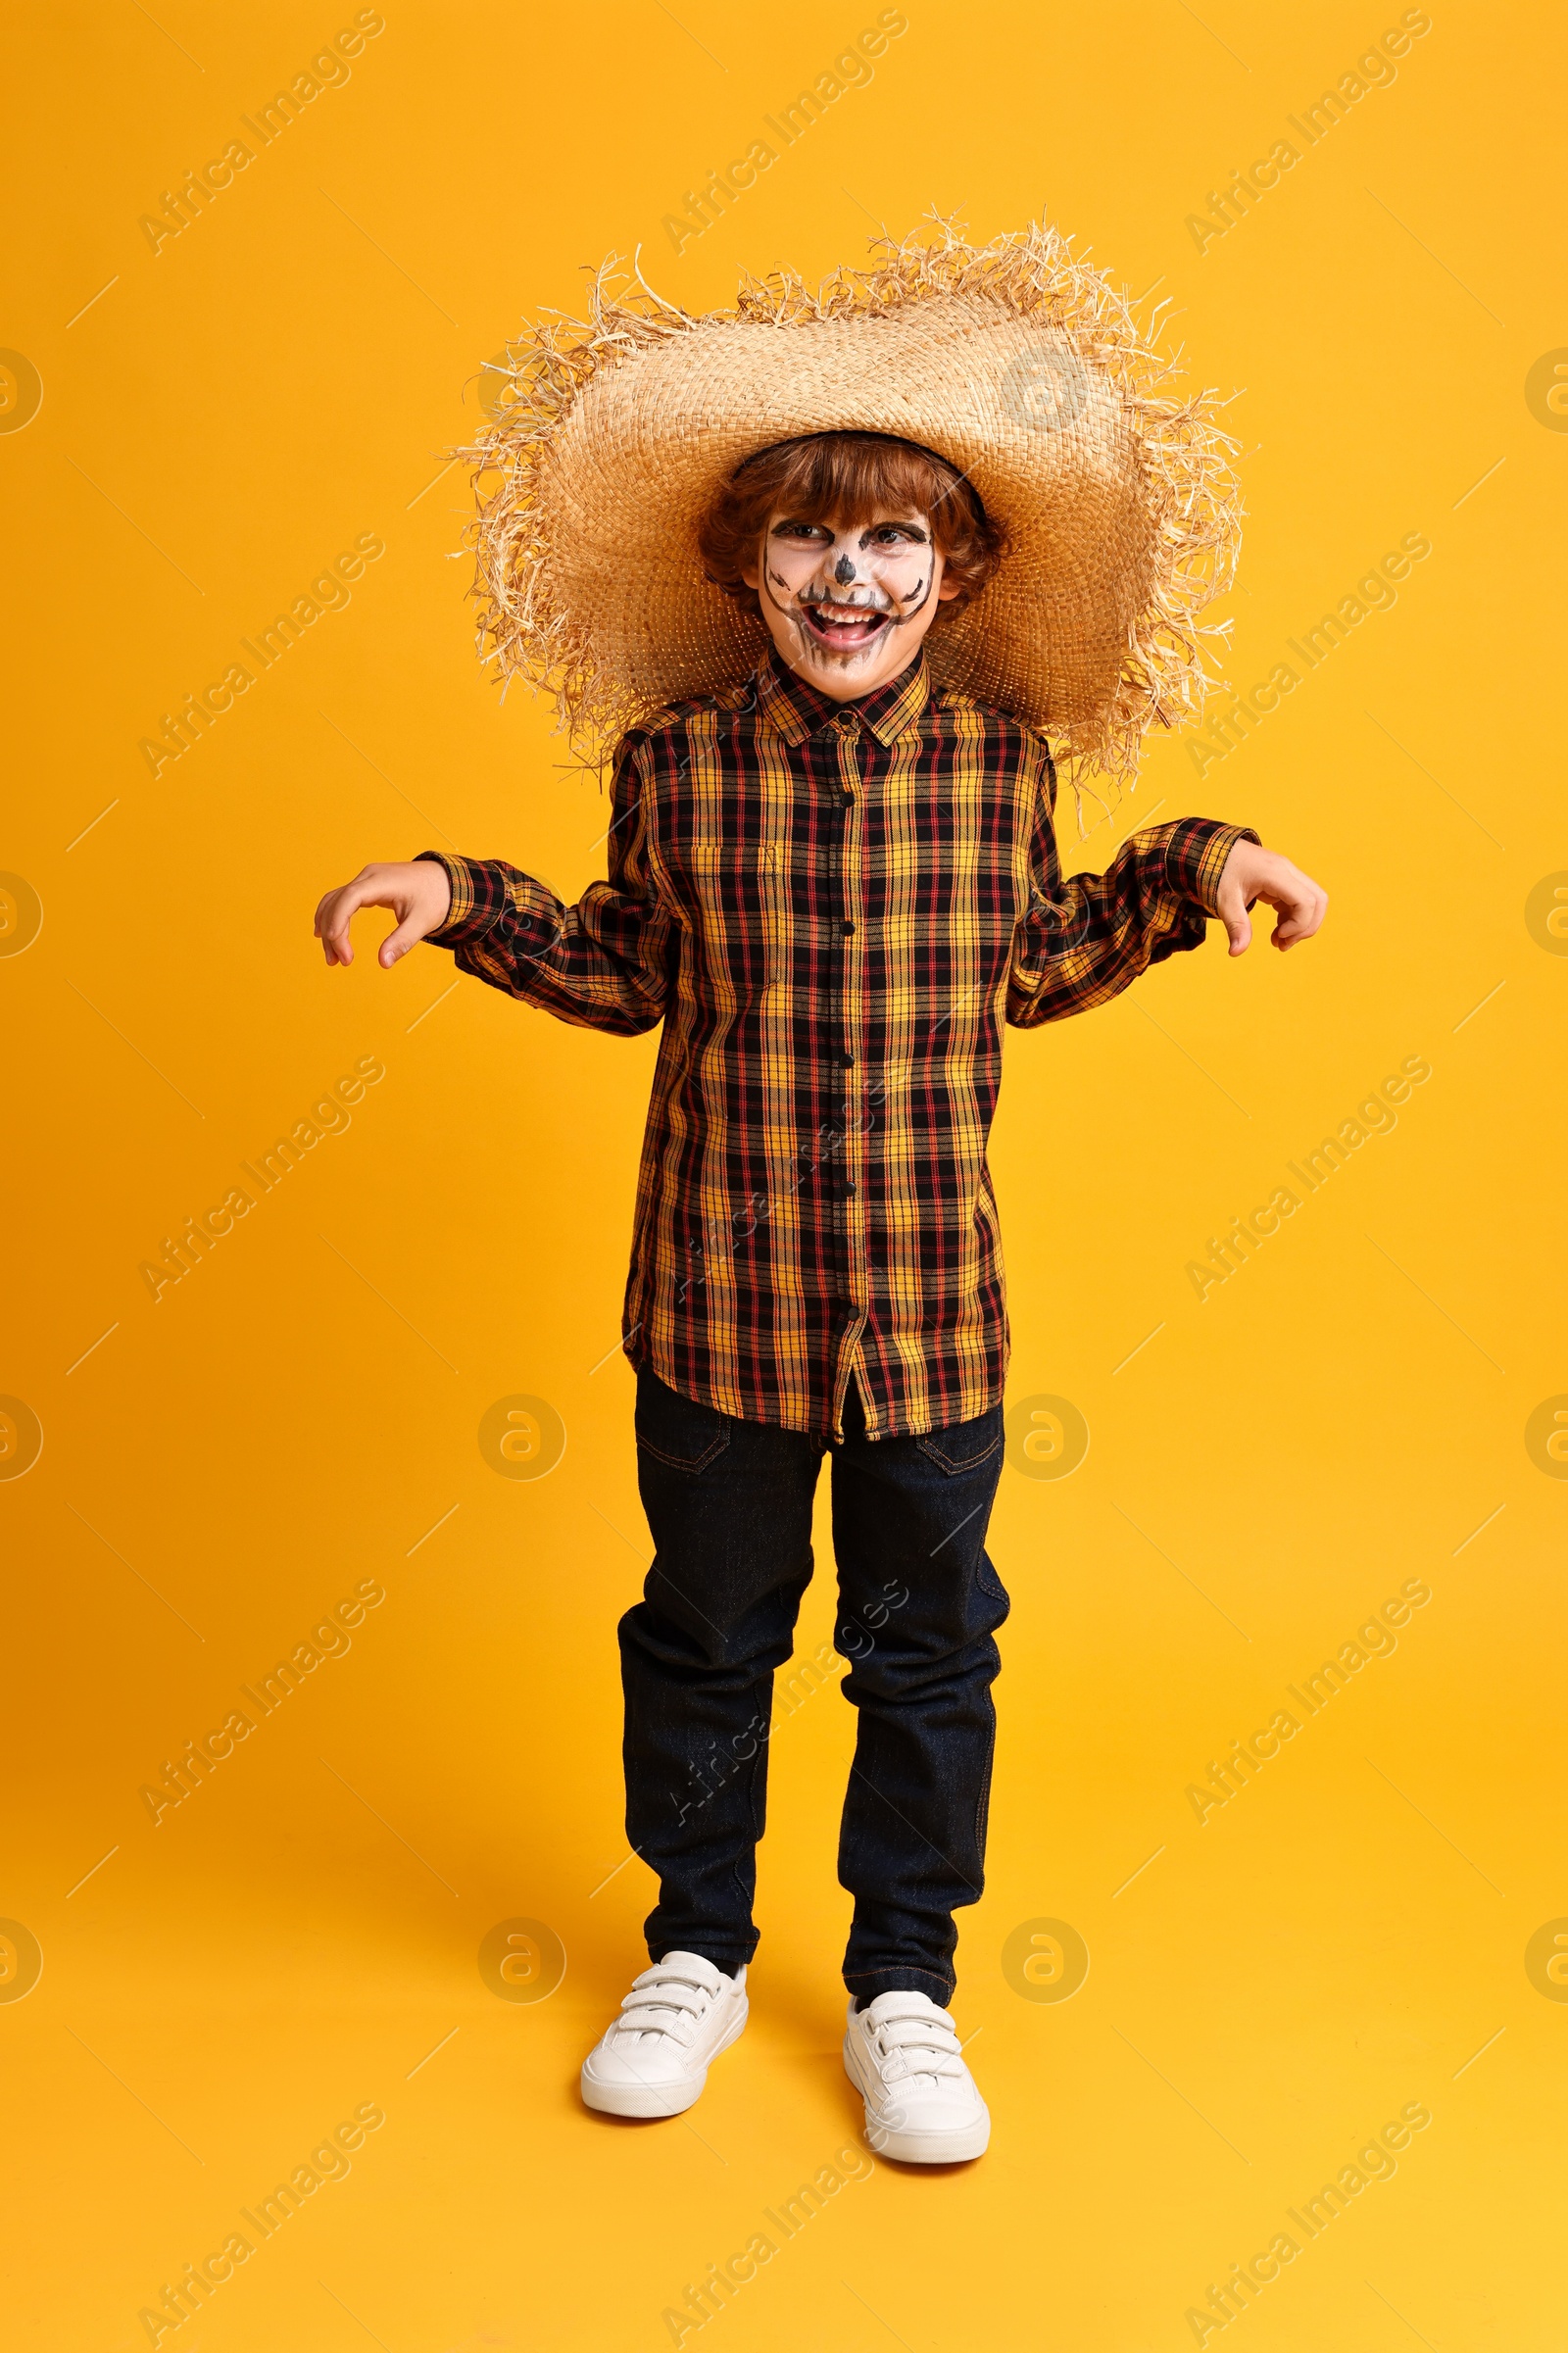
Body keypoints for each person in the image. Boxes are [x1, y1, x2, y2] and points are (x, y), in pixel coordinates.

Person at [313, 221, 1326, 2164]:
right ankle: (693, 1942)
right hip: (716, 1309)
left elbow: (1034, 952)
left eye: (888, 545)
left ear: (954, 570)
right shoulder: (675, 764)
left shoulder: (1000, 764)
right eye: (805, 539)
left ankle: (901, 1983)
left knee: (927, 1649)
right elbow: (626, 964)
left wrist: (1201, 863)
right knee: (705, 1633)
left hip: (929, 1323)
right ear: (740, 564)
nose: (845, 578)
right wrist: (456, 899)